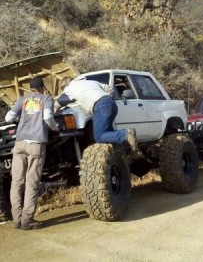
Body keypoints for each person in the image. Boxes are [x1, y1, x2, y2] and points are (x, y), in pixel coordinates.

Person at [5, 76, 59, 230]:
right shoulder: (46, 99)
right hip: (36, 144)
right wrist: (55, 128)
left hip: (20, 143)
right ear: (42, 88)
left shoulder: (22, 99)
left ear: (30, 89)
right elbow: (48, 116)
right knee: (32, 182)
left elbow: (9, 117)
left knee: (16, 182)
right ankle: (27, 220)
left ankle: (17, 220)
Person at [57, 77, 138, 151]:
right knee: (108, 132)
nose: (64, 90)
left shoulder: (69, 89)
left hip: (100, 106)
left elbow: (57, 103)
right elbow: (109, 89)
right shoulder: (90, 82)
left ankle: (125, 134)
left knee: (99, 136)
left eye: (63, 88)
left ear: (66, 85)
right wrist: (106, 100)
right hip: (110, 103)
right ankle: (117, 151)